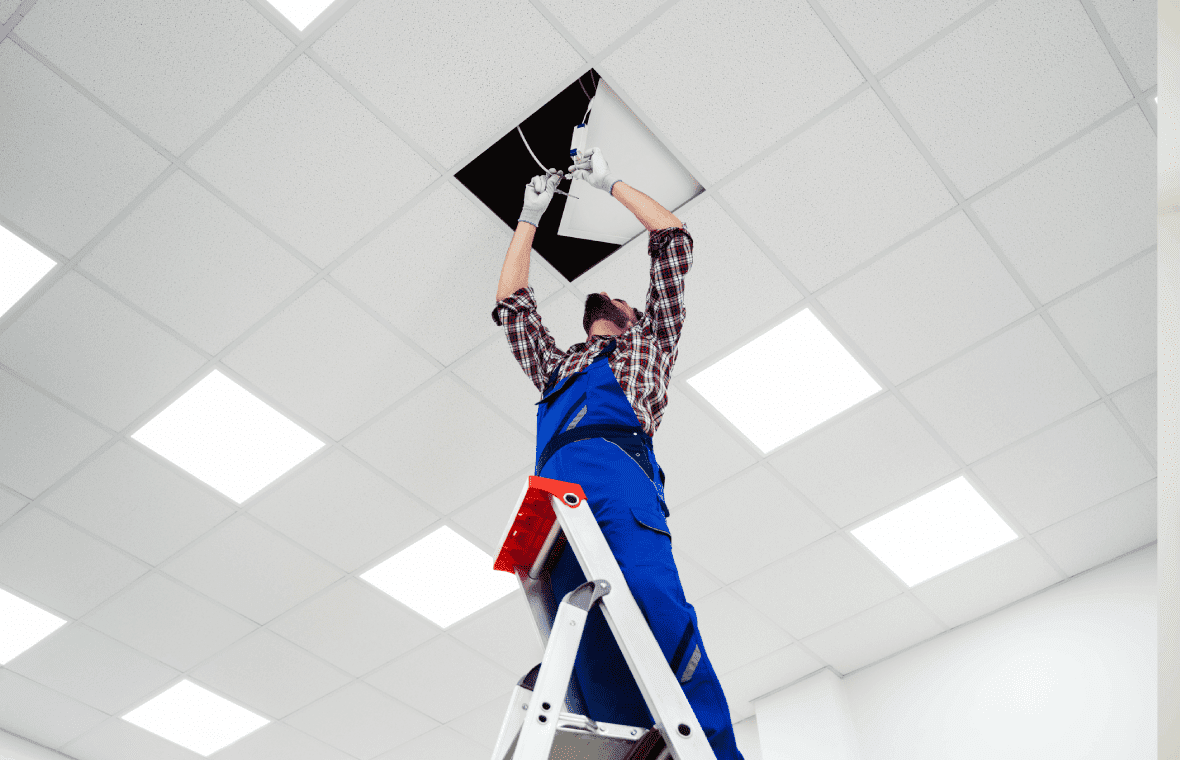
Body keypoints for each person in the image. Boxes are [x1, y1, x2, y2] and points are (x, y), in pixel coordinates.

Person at [491, 147, 745, 760]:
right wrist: (530, 215)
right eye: (599, 297)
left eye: (620, 297)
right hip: (554, 504)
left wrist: (610, 184)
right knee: (586, 655)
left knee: (655, 607)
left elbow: (674, 240)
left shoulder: (647, 347)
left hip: (617, 484)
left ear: (633, 317)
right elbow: (512, 307)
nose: (608, 296)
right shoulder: (557, 366)